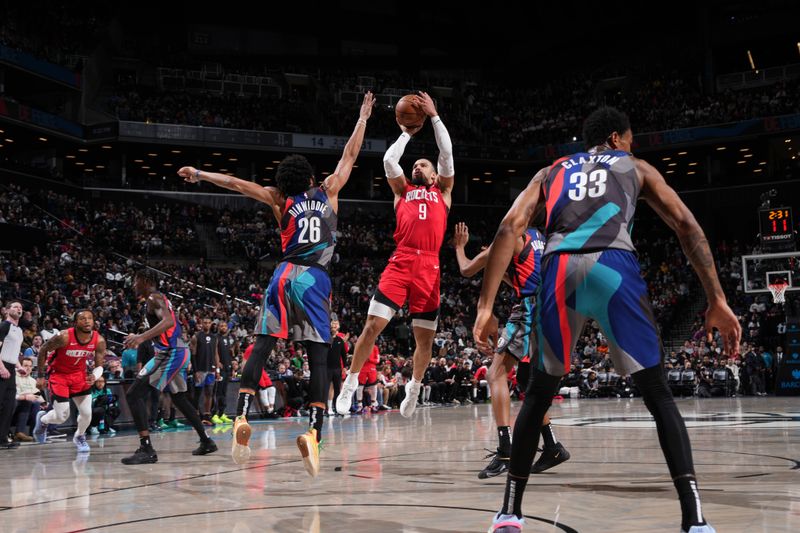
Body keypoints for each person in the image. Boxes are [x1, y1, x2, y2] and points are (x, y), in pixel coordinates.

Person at [474, 107, 741, 533]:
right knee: (657, 393)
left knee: (540, 393)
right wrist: (717, 298)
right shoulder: (633, 165)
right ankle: (695, 519)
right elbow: (687, 226)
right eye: (631, 139)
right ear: (617, 138)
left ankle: (509, 513)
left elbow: (509, 227)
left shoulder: (551, 170)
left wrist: (485, 308)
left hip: (559, 267)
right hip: (614, 265)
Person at [177, 91, 375, 475]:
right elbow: (350, 154)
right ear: (313, 179)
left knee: (264, 345)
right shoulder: (329, 191)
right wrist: (363, 117)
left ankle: (242, 416)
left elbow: (235, 184)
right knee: (319, 356)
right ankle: (314, 432)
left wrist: (199, 174)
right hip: (315, 281)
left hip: (283, 275)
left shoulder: (277, 199)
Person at [336, 91, 455, 418]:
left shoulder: (443, 193)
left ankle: (415, 386)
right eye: (415, 162)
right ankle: (351, 381)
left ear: (434, 176)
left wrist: (434, 117)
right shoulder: (402, 191)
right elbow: (390, 160)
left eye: (423, 164)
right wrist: (406, 133)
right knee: (372, 326)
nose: (417, 164)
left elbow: (446, 152)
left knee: (424, 340)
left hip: (429, 267)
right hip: (401, 261)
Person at [453, 221, 570, 478]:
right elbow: (523, 277)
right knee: (529, 382)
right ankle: (552, 447)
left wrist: (460, 247)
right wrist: (503, 266)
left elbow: (467, 269)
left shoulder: (511, 236)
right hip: (551, 310)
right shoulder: (539, 237)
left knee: (495, 374)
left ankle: (506, 450)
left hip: (529, 309)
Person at [118, 269, 218, 464]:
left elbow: (169, 321)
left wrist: (140, 337)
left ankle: (146, 448)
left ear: (145, 280)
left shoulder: (153, 298)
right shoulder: (159, 298)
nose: (133, 285)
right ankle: (206, 441)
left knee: (134, 394)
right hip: (170, 351)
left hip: (171, 352)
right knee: (179, 398)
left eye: (136, 280)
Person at [32, 309, 106, 453]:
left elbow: (100, 366)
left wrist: (95, 376)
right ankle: (43, 420)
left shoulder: (99, 340)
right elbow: (43, 350)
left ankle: (79, 436)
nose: (87, 321)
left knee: (87, 414)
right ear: (75, 322)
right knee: (61, 417)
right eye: (82, 318)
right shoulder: (64, 336)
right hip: (59, 376)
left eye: (90, 318)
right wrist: (40, 376)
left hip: (79, 376)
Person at [0, 301, 25, 449]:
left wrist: (19, 366)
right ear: (7, 310)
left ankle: (2, 439)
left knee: (8, 405)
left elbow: (12, 352)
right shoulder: (4, 326)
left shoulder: (19, 330)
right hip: (2, 367)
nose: (19, 309)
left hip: (10, 369)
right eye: (15, 307)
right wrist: (1, 367)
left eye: (20, 307)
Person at [189, 317, 220, 425]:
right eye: (204, 322)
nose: (206, 324)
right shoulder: (196, 336)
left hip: (210, 369)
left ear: (211, 324)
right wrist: (195, 371)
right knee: (197, 393)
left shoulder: (215, 338)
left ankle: (207, 415)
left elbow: (216, 354)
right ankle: (195, 415)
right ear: (201, 324)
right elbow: (192, 354)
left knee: (209, 392)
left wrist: (217, 369)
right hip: (200, 369)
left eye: (208, 323)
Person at [213, 320, 237, 424]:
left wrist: (232, 369)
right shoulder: (216, 338)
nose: (223, 327)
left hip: (227, 369)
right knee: (217, 392)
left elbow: (230, 355)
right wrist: (217, 367)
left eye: (225, 326)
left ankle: (222, 413)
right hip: (220, 369)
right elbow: (215, 353)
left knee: (224, 392)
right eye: (221, 326)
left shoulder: (227, 338)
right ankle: (214, 414)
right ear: (218, 327)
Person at [326, 320, 348, 415]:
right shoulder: (326, 338)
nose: (334, 325)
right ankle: (329, 408)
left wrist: (345, 367)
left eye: (336, 324)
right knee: (329, 388)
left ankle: (338, 408)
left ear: (338, 327)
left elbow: (344, 355)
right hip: (327, 368)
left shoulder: (340, 340)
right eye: (332, 323)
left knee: (337, 388)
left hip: (337, 368)